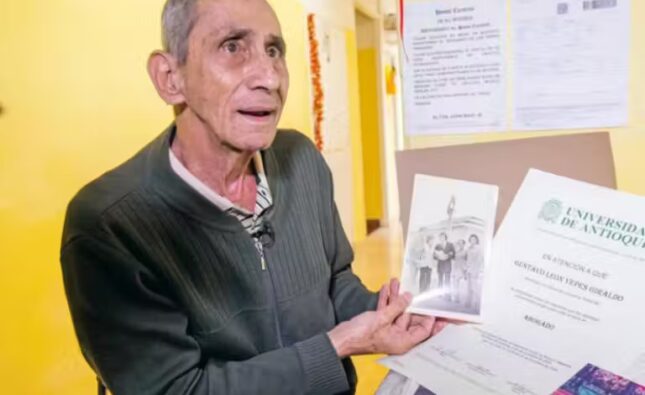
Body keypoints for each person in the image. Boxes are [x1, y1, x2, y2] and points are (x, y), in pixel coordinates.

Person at [59, 1, 437, 394]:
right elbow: (178, 389)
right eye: (233, 47)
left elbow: (334, 281)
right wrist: (340, 343)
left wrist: (386, 314)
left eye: (274, 50)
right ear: (170, 78)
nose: (269, 77)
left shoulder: (302, 161)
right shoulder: (109, 224)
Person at [465, 234, 484, 310]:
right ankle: (468, 303)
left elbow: (479, 261)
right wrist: (466, 269)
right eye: (471, 239)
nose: (472, 241)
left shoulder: (479, 249)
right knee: (469, 288)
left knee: (474, 288)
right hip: (469, 270)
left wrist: (477, 270)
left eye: (474, 239)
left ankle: (477, 304)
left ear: (476, 240)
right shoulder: (469, 248)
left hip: (475, 270)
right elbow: (467, 260)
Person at [451, 239, 467, 304]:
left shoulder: (466, 251)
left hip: (462, 269)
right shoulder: (456, 251)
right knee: (455, 284)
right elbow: (454, 260)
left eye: (461, 243)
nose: (460, 244)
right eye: (459, 243)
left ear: (464, 244)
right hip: (456, 269)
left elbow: (467, 261)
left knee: (461, 285)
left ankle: (462, 299)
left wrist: (465, 270)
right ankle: (456, 298)